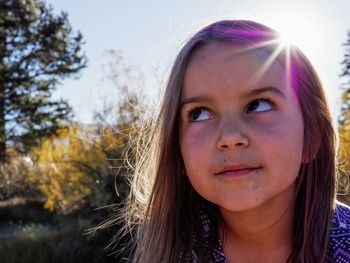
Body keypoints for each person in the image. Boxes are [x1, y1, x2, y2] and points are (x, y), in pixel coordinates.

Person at [118, 20, 350, 262]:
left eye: (258, 105)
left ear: (313, 136)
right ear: (177, 149)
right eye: (199, 113)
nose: (229, 137)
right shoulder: (169, 254)